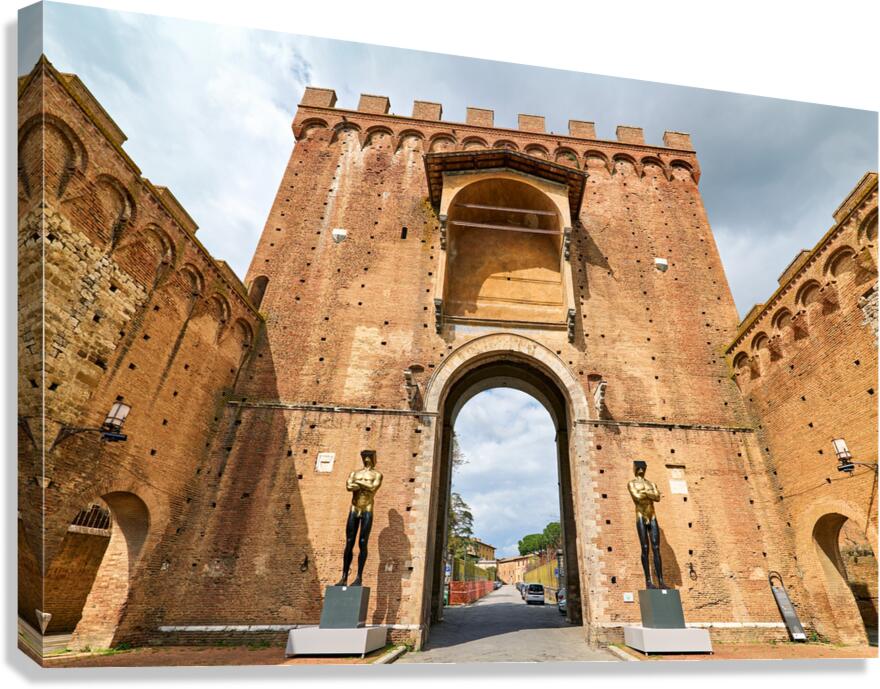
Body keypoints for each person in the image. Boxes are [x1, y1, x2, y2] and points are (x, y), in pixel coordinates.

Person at [336, 450, 383, 587]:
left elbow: (373, 488)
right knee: (349, 542)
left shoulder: (377, 474)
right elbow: (348, 487)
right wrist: (364, 486)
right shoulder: (355, 473)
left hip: (367, 508)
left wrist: (359, 485)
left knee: (363, 542)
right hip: (354, 508)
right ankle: (344, 577)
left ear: (373, 459)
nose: (367, 459)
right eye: (365, 457)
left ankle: (359, 577)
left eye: (369, 457)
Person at [627, 460, 667, 589]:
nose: (640, 470)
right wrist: (650, 494)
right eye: (638, 468)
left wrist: (646, 494)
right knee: (645, 547)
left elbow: (658, 498)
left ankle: (661, 581)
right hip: (640, 516)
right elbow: (637, 497)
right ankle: (648, 581)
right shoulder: (631, 483)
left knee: (656, 548)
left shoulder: (651, 483)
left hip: (652, 515)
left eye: (642, 468)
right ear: (634, 469)